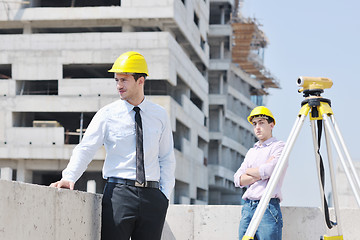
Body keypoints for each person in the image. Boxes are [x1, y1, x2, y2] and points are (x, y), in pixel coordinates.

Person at [50, 51, 176, 240]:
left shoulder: (159, 115)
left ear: (140, 80)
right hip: (119, 194)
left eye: (124, 80)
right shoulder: (107, 114)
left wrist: (164, 195)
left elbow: (166, 157)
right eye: (116, 80)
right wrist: (69, 177)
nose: (119, 86)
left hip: (153, 197)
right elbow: (86, 148)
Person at [234, 106, 286, 240]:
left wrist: (249, 172)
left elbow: (270, 170)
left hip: (268, 207)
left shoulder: (279, 147)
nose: (257, 127)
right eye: (255, 124)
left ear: (271, 124)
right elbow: (238, 179)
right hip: (248, 207)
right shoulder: (252, 151)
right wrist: (260, 173)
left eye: (261, 122)